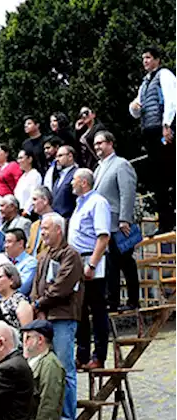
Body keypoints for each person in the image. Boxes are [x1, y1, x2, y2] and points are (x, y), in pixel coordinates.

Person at [31, 213, 83, 420]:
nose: (42, 232)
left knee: (64, 365)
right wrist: (37, 304)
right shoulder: (44, 256)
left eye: (46, 228)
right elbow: (36, 285)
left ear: (59, 230)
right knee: (45, 367)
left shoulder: (71, 255)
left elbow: (62, 286)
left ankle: (67, 415)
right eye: (41, 228)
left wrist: (40, 303)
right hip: (46, 316)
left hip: (62, 316)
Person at [90, 130, 140, 312]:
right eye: (95, 144)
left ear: (110, 143)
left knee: (125, 262)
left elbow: (127, 192)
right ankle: (113, 301)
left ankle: (133, 301)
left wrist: (125, 218)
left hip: (118, 222)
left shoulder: (121, 164)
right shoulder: (98, 168)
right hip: (105, 223)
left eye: (100, 143)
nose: (97, 147)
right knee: (111, 264)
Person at [129, 46, 177, 231]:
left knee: (171, 173)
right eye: (143, 58)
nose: (145, 61)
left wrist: (167, 125)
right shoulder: (144, 83)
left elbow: (172, 100)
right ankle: (165, 221)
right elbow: (136, 110)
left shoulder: (164, 74)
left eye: (148, 57)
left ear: (157, 59)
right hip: (149, 132)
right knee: (159, 179)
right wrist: (133, 107)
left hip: (163, 129)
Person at [69, 168, 111, 370]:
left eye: (74, 180)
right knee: (81, 311)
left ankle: (99, 355)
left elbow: (103, 237)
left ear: (84, 182)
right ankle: (83, 354)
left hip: (92, 260)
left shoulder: (98, 202)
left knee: (97, 309)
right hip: (78, 261)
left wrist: (92, 264)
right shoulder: (80, 204)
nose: (71, 184)